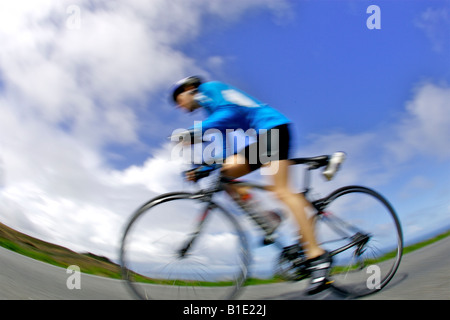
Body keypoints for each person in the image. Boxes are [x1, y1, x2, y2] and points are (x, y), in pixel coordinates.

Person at [171, 76, 332, 295]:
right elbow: (224, 152)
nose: (180, 106)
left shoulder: (208, 90)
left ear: (189, 88)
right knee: (227, 173)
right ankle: (268, 218)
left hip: (274, 129)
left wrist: (192, 131)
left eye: (178, 99)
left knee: (282, 191)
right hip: (265, 136)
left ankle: (317, 256)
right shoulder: (210, 111)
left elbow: (229, 113)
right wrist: (204, 169)